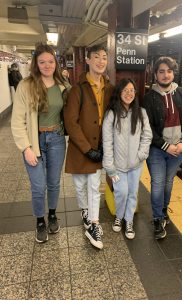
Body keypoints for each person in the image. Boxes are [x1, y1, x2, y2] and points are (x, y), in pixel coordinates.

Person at [11, 43, 70, 243]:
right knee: (38, 186)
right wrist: (25, 148)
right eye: (42, 62)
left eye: (50, 61)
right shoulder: (25, 86)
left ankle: (52, 214)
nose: (47, 65)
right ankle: (39, 221)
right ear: (36, 63)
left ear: (56, 63)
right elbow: (17, 121)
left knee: (53, 183)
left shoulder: (62, 85)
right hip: (34, 142)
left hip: (57, 139)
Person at [63, 44, 114, 250]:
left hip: (99, 147)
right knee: (80, 186)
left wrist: (105, 146)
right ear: (88, 60)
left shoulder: (110, 88)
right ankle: (85, 211)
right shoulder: (78, 89)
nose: (101, 61)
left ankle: (93, 224)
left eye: (104, 57)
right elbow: (70, 122)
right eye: (96, 57)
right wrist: (87, 148)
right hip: (80, 147)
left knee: (94, 186)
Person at [143, 56, 182, 240]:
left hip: (178, 150)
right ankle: (157, 219)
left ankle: (164, 210)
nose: (166, 75)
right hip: (157, 150)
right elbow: (147, 128)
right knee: (157, 184)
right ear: (155, 74)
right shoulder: (148, 98)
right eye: (162, 71)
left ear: (174, 73)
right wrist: (166, 146)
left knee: (168, 183)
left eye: (169, 71)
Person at [102, 78, 152, 239]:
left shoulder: (141, 113)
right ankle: (119, 216)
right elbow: (107, 141)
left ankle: (128, 220)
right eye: (125, 90)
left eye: (132, 90)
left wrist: (141, 155)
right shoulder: (111, 114)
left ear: (135, 93)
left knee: (132, 192)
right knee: (121, 192)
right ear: (119, 93)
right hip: (117, 166)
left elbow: (147, 136)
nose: (129, 93)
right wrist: (109, 166)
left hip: (135, 165)